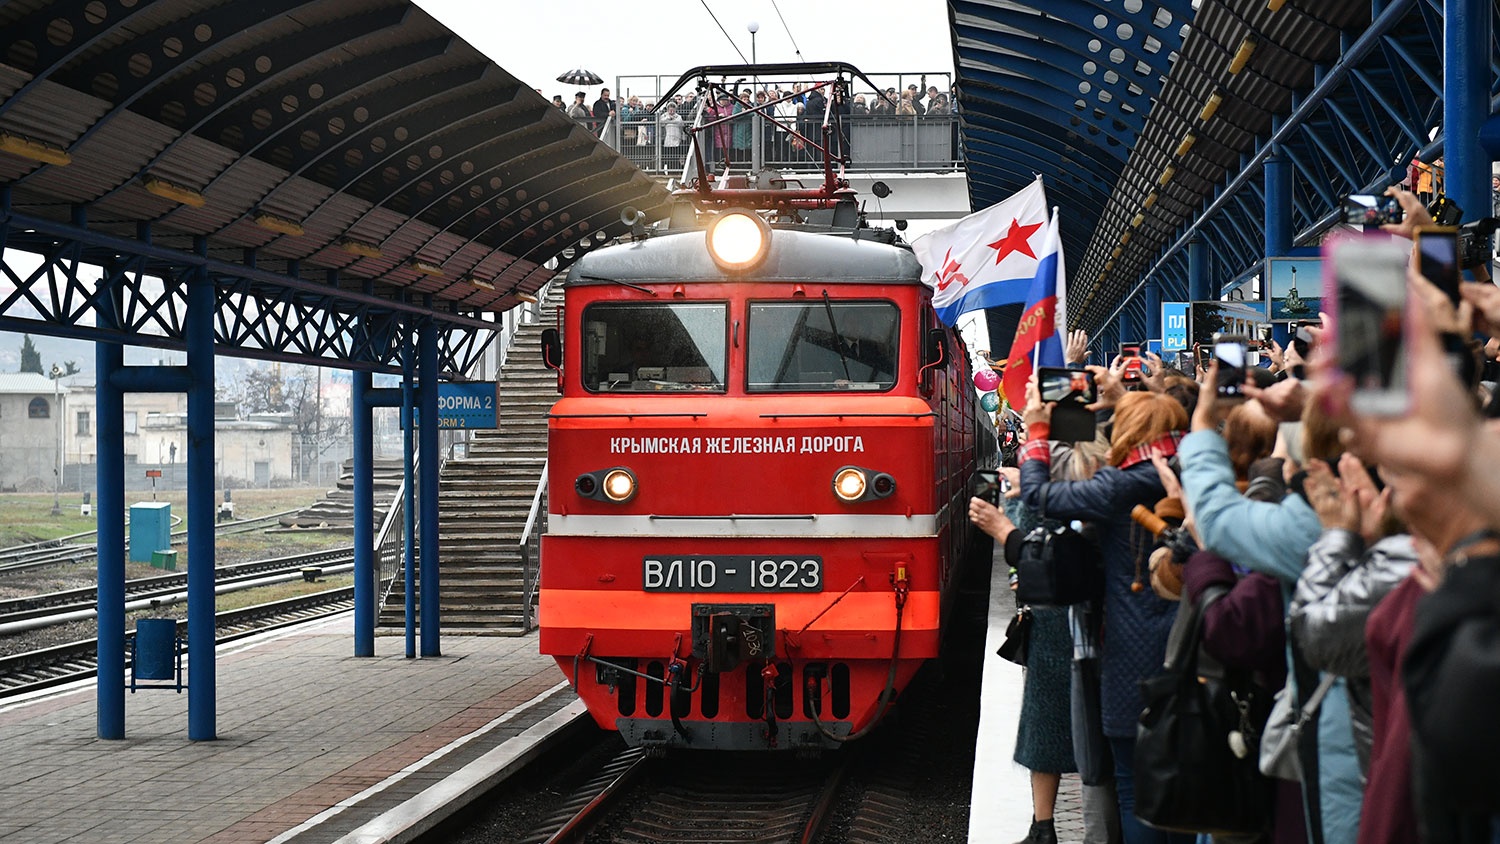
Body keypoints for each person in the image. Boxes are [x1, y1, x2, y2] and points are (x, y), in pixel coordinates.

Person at [1017, 384, 1189, 844]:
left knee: (1134, 788)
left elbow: (1037, 495)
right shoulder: (1201, 472)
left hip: (1132, 653)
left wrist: (1037, 430)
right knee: (1190, 787)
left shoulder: (1118, 485)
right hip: (1195, 646)